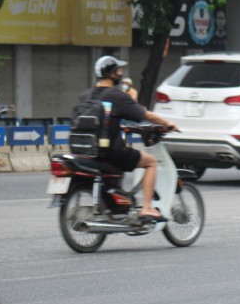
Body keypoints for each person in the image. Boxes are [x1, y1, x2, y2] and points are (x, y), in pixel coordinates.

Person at [76, 55, 178, 221]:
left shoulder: (85, 95)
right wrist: (167, 123)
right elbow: (145, 115)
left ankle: (119, 201)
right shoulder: (117, 96)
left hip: (85, 150)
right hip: (109, 151)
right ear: (112, 74)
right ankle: (146, 208)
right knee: (151, 162)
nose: (121, 73)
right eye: (118, 70)